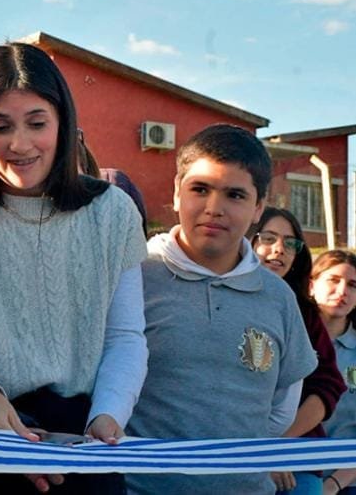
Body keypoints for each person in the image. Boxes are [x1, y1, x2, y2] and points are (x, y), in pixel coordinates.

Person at [0, 42, 148, 494]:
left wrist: (108, 416)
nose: (19, 144)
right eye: (1, 126)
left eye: (37, 123)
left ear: (63, 123)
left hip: (85, 440)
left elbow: (125, 335)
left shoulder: (114, 211)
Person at [125, 124, 317, 495]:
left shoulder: (278, 297)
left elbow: (282, 408)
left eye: (235, 195)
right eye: (200, 189)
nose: (214, 208)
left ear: (258, 207)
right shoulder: (133, 278)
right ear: (177, 192)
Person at [247, 207, 346, 494]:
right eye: (268, 238)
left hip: (296, 458)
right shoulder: (218, 297)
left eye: (290, 243)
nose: (280, 249)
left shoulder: (305, 313)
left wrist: (281, 448)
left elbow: (327, 385)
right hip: (230, 455)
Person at [310, 250, 356, 494]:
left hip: (345, 482)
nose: (342, 291)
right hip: (288, 473)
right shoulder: (291, 340)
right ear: (311, 285)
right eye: (333, 280)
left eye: (352, 285)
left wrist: (333, 485)